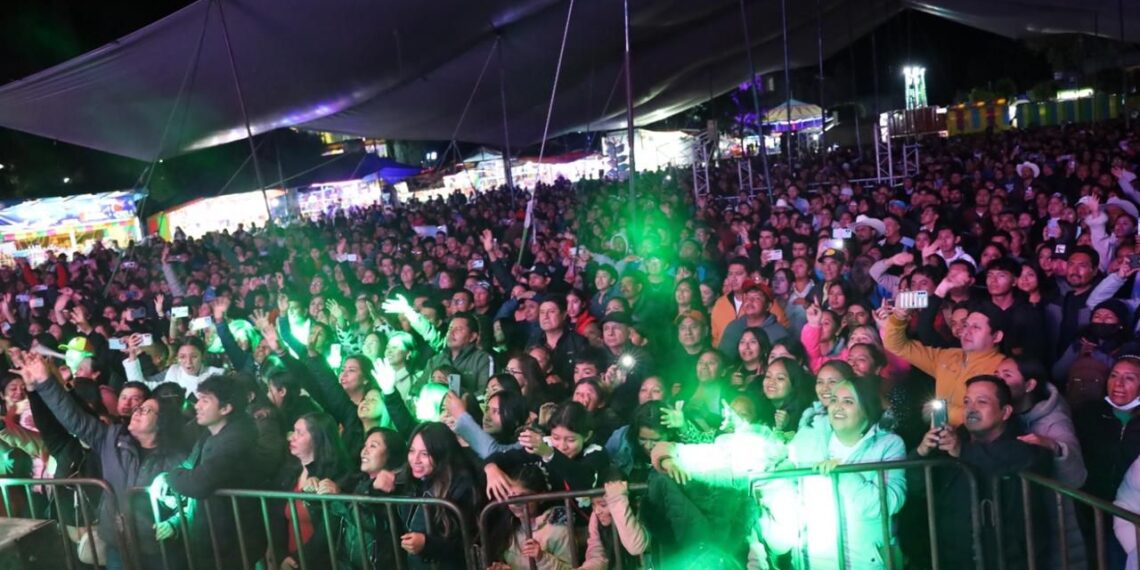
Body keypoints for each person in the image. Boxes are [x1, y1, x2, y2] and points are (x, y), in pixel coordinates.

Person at [19, 351, 189, 570]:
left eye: (146, 410)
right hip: (117, 545)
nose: (137, 412)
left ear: (162, 422)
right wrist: (45, 382)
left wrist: (175, 523)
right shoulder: (113, 439)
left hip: (158, 550)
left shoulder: (177, 458)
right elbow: (74, 417)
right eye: (138, 408)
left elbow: (190, 502)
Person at [917, 375, 1051, 569]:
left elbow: (1018, 456)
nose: (971, 408)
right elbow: (917, 487)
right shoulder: (952, 442)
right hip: (953, 559)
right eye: (966, 401)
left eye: (982, 402)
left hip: (1006, 562)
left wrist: (962, 451)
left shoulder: (1023, 446)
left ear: (1005, 412)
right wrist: (921, 453)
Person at [772, 378, 906, 569]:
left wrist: (842, 473)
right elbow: (788, 487)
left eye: (848, 401)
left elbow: (888, 503)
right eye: (834, 400)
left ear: (866, 409)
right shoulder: (808, 439)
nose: (838, 407)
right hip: (812, 559)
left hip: (864, 561)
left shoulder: (888, 445)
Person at [166, 374, 265, 569]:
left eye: (205, 400)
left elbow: (199, 482)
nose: (197, 406)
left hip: (232, 541)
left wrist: (171, 477)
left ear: (225, 408)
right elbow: (190, 466)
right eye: (199, 399)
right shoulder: (210, 433)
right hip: (214, 537)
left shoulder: (237, 439)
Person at [884, 303, 1007, 426]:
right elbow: (897, 345)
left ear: (997, 336)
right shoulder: (948, 356)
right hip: (937, 433)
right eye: (966, 325)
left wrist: (943, 411)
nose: (966, 332)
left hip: (971, 437)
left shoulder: (1002, 369)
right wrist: (899, 317)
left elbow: (992, 416)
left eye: (976, 327)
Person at [399, 422, 479, 570]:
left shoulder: (462, 487)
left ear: (441, 453)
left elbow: (467, 544)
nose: (415, 460)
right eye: (411, 451)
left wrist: (427, 544)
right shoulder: (412, 482)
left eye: (425, 454)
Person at [483, 463, 575, 570]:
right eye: (509, 497)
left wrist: (542, 558)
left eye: (522, 498)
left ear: (541, 497)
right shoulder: (510, 527)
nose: (514, 504)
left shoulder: (558, 531)